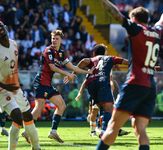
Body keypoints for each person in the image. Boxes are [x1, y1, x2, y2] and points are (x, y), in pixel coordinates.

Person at [95, 0, 163, 150]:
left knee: (113, 126)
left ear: (134, 19)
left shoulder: (136, 29)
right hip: (150, 87)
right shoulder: (156, 31)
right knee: (140, 129)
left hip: (135, 83)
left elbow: (116, 14)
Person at [22, 30, 94, 143]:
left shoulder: (61, 53)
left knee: (62, 105)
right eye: (53, 38)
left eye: (56, 39)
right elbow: (52, 68)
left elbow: (73, 67)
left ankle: (53, 132)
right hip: (41, 82)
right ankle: (27, 130)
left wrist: (89, 72)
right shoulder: (48, 50)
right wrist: (68, 74)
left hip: (48, 84)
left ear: (61, 40)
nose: (54, 40)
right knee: (39, 107)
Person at [64, 44, 128, 138]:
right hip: (102, 83)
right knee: (108, 109)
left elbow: (83, 61)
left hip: (91, 85)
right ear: (105, 53)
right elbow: (127, 62)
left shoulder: (92, 60)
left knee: (101, 108)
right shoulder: (110, 58)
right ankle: (103, 132)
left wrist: (73, 74)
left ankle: (103, 128)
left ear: (94, 53)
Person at [0, 21, 41, 150]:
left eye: (1, 26)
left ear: (6, 28)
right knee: (17, 115)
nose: (0, 28)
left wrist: (15, 85)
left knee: (28, 115)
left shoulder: (14, 44)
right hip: (2, 90)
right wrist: (6, 87)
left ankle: (36, 147)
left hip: (15, 88)